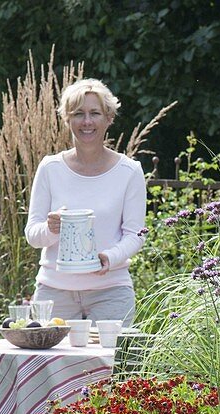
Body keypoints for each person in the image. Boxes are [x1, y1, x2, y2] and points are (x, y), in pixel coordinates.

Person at [24, 78, 146, 325]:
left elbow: (136, 234)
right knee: (48, 363)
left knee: (112, 364)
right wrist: (50, 229)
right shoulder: (50, 168)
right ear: (67, 119)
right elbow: (32, 234)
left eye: (95, 113)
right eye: (78, 114)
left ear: (109, 118)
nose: (87, 122)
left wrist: (109, 258)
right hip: (53, 292)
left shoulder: (130, 171)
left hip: (111, 291)